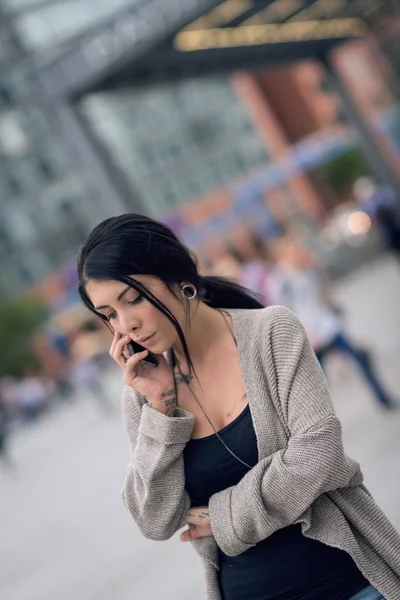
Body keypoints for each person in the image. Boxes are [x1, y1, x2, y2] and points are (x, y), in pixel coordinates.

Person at [77, 214, 400, 600]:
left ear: (179, 277)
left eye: (134, 298)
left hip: (349, 584)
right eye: (109, 314)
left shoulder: (270, 332)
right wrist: (160, 408)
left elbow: (319, 454)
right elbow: (155, 519)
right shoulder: (143, 390)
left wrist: (221, 516)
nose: (126, 323)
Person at [271, 234, 396, 409]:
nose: (296, 254)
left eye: (297, 250)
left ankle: (383, 398)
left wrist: (319, 271)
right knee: (317, 383)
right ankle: (320, 421)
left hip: (328, 325)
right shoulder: (281, 281)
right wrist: (305, 333)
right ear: (283, 256)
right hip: (309, 334)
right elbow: (284, 310)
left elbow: (324, 293)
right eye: (292, 251)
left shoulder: (309, 269)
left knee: (360, 357)